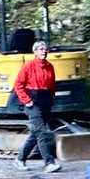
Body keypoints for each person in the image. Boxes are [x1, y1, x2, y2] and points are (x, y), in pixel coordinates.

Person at [13, 40, 62, 172]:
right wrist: (27, 100)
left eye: (45, 49)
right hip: (32, 103)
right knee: (41, 132)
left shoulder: (50, 66)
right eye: (41, 49)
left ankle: (20, 159)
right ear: (34, 52)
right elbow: (18, 85)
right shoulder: (28, 66)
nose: (44, 51)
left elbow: (52, 85)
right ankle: (49, 163)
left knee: (35, 134)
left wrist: (51, 100)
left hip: (45, 102)